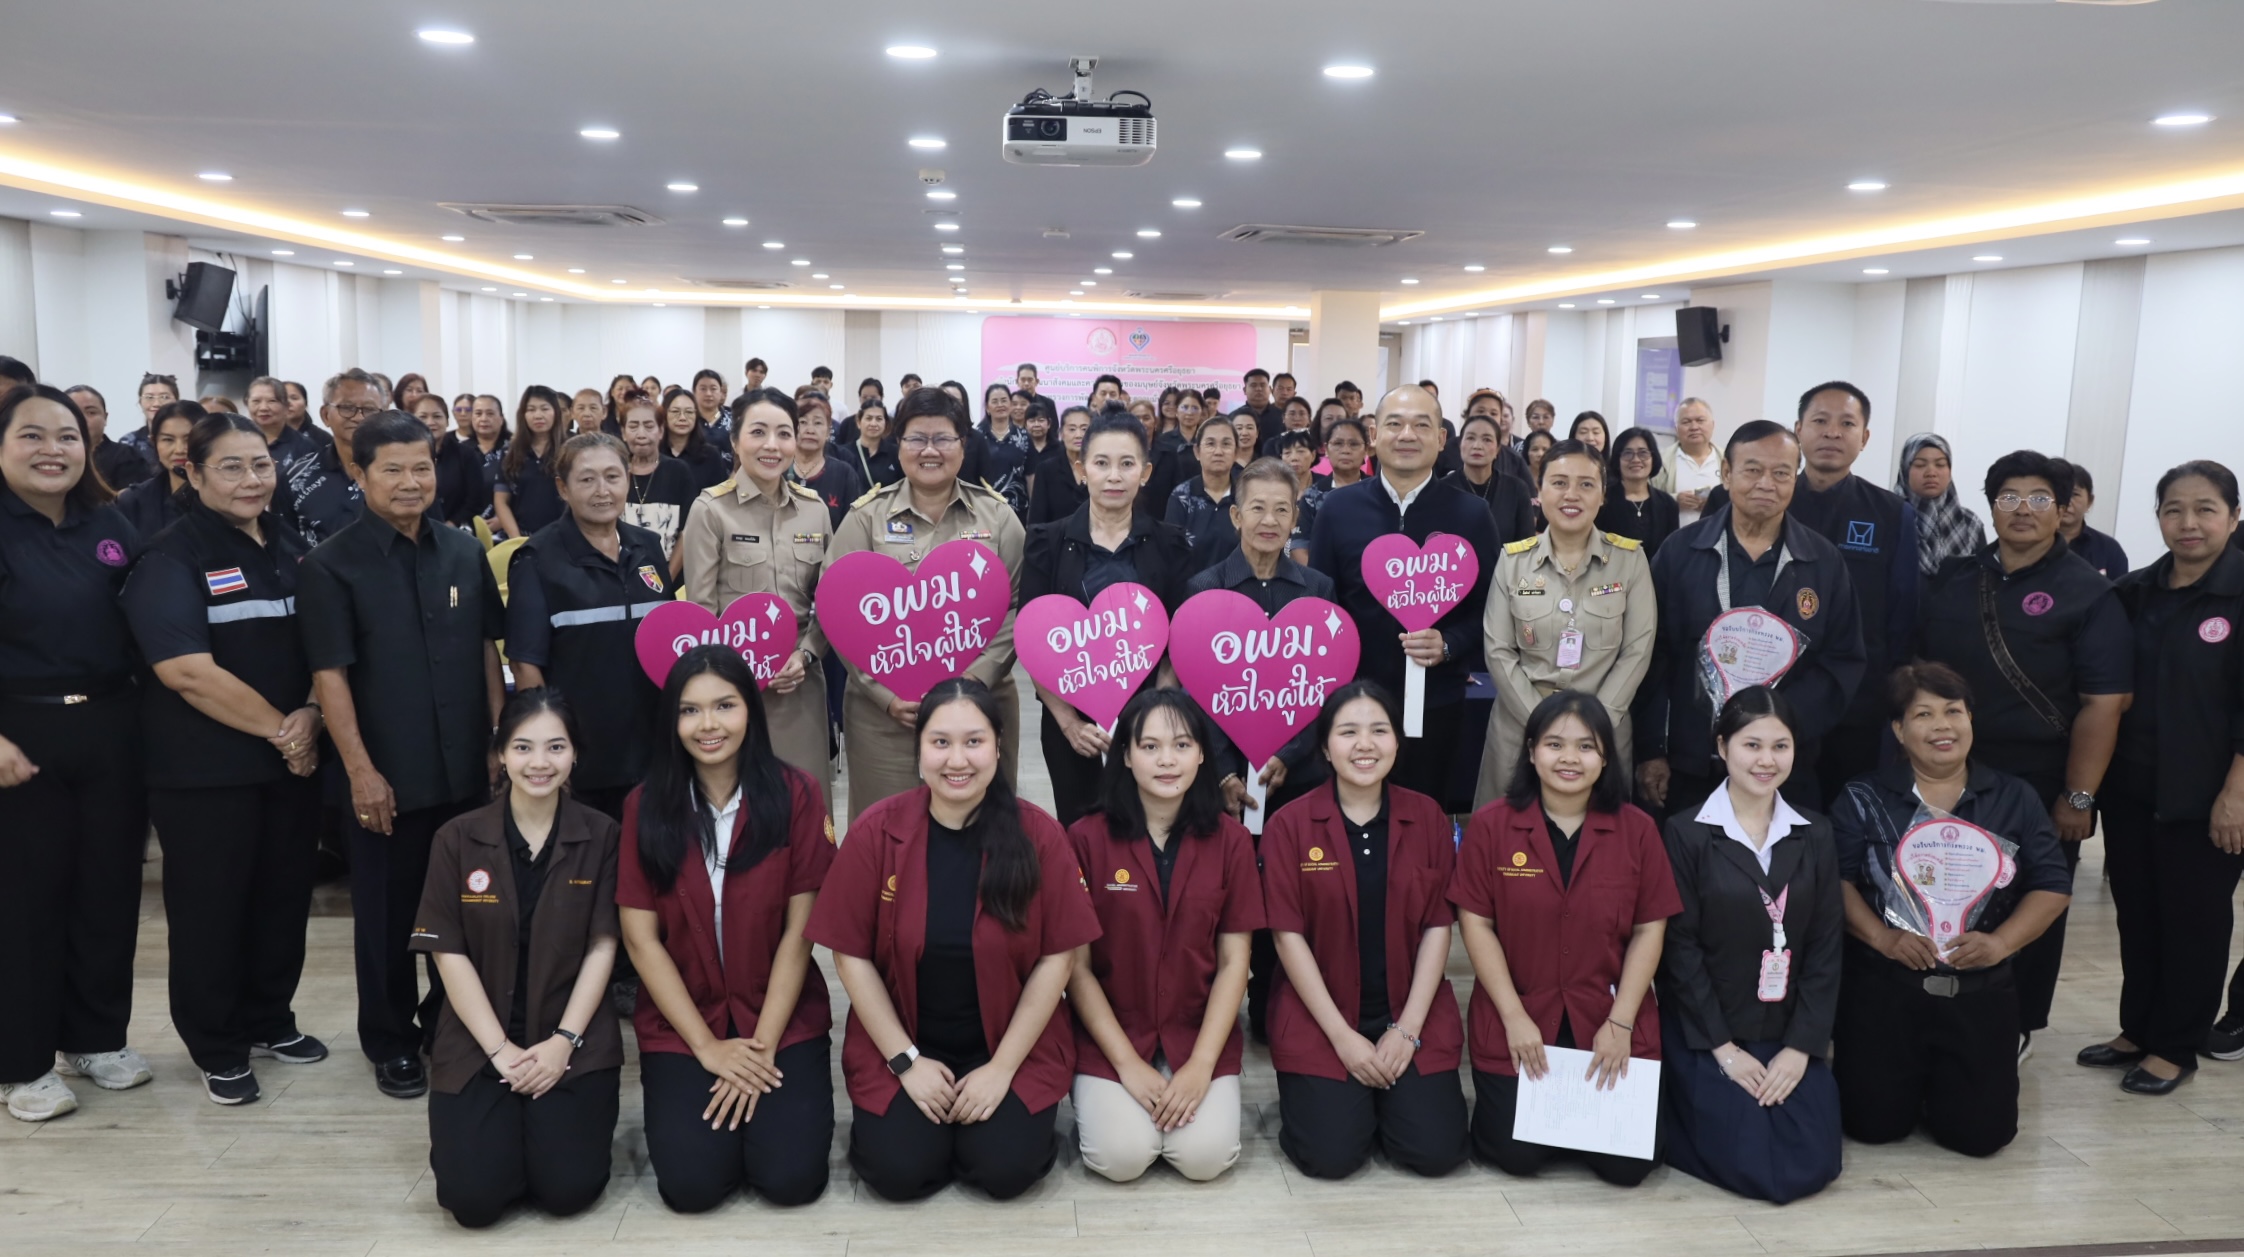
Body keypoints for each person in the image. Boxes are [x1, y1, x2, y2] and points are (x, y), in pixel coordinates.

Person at [804, 678, 1101, 1200]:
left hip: (1008, 1041)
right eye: (940, 742)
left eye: (974, 741)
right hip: (907, 1037)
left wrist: (1002, 1068)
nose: (956, 759)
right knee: (899, 1175)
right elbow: (848, 955)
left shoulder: (1039, 836)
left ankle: (984, 1125)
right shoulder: (877, 831)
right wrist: (906, 1063)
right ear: (918, 749)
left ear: (999, 744)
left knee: (1005, 1172)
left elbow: (1059, 958)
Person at [298, 410, 507, 1100]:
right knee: (388, 918)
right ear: (359, 475)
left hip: (466, 770)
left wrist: (499, 744)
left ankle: (447, 1018)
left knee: (471, 907)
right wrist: (360, 771)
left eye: (423, 466)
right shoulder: (330, 565)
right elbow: (331, 678)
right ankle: (390, 1040)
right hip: (387, 772)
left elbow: (486, 651)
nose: (412, 481)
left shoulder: (461, 550)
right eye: (393, 469)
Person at [121, 410, 327, 1105]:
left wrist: (311, 714)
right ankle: (218, 1043)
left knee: (280, 898)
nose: (250, 478)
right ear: (193, 471)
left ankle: (271, 1017)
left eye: (261, 463)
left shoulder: (290, 544)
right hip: (204, 771)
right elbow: (185, 670)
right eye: (232, 466)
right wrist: (285, 730)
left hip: (288, 764)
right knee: (212, 909)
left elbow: (322, 647)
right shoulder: (171, 555)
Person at [1914, 450, 2130, 1059]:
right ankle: (1937, 1000)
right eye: (2008, 497)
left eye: (2040, 498)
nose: (2023, 510)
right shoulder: (1957, 577)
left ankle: (2018, 1020)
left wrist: (2079, 796)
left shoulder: (2088, 592)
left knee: (2031, 895)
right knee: (1946, 886)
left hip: (2040, 779)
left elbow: (2103, 704)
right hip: (1947, 772)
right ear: (1991, 507)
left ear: (2064, 510)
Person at [618, 646, 838, 1211]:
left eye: (725, 706)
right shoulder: (645, 808)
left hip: (779, 1016)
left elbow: (801, 933)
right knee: (691, 1188)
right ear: (671, 720)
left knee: (792, 1182)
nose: (709, 725)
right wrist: (709, 1049)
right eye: (690, 711)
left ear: (751, 711)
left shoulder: (798, 795)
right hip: (686, 1018)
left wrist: (759, 1049)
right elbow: (642, 941)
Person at [1829, 662, 2071, 1151]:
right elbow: (1836, 881)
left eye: (1953, 711)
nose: (1942, 725)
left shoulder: (2014, 797)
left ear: (1971, 720)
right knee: (1872, 1128)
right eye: (1923, 714)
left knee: (1981, 1138)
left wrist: (2001, 943)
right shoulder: (1864, 796)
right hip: (1885, 988)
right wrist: (1883, 938)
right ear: (1898, 730)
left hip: (1980, 990)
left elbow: (2052, 886)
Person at [410, 690, 622, 1227]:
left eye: (556, 747)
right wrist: (500, 1049)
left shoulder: (603, 835)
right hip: (482, 1038)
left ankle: (536, 1139)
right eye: (523, 747)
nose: (540, 762)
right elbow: (447, 951)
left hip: (569, 1037)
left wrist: (562, 1043)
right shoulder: (456, 838)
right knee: (472, 1203)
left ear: (575, 755)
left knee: (567, 1193)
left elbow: (604, 944)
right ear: (501, 754)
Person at [0, 385, 153, 1122]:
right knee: (27, 902)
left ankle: (95, 1036)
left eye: (65, 435)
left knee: (107, 888)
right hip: (18, 733)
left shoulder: (108, 520)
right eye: (31, 436)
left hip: (112, 726)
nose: (52, 450)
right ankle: (22, 1061)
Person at [1453, 690, 1678, 1183]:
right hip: (1522, 1016)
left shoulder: (1638, 830)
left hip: (1607, 1016)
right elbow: (1475, 922)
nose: (1569, 758)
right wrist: (1513, 1016)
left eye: (1586, 746)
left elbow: (1649, 928)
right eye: (1554, 744)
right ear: (1531, 751)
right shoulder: (1492, 826)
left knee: (1628, 1168)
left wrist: (1620, 1023)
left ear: (1605, 757)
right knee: (1517, 1159)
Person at [1260, 681, 1468, 1179]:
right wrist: (1342, 1037)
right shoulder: (1289, 825)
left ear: (1397, 740)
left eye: (1379, 730)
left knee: (1435, 1153)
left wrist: (1408, 1029)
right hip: (1323, 1015)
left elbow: (1440, 925)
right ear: (1325, 748)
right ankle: (1348, 1099)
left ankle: (1386, 1098)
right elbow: (1288, 936)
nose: (1365, 745)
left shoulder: (1430, 818)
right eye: (1347, 732)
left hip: (1407, 1010)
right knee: (1330, 1157)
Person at [2083, 461, 2244, 1094]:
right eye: (2174, 509)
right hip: (2134, 788)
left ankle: (2176, 1044)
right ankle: (2138, 1028)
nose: (2189, 523)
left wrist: (2235, 795)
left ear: (2233, 517)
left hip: (2210, 796)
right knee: (2138, 913)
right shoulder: (2134, 592)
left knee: (2195, 920)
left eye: (2206, 509)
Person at [1067, 689, 1262, 1182]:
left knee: (1204, 1160)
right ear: (1126, 757)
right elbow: (1078, 968)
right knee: (1122, 1158)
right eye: (1149, 747)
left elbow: (1235, 962)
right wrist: (1128, 1064)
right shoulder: (1084, 839)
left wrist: (1199, 1066)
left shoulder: (1233, 841)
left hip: (1196, 1031)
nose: (1166, 760)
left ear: (1202, 753)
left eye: (1181, 745)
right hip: (1114, 1032)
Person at [1655, 688, 1843, 1203]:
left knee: (1812, 1159)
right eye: (1751, 745)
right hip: (1711, 1028)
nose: (1766, 760)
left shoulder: (1815, 833)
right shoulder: (1685, 833)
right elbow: (1681, 951)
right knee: (1750, 1160)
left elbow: (1826, 947)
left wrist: (1802, 1048)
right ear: (1722, 746)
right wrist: (1723, 1050)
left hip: (1787, 1029)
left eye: (1780, 747)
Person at [1635, 421, 1866, 815]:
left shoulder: (1822, 561)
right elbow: (1650, 655)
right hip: (1689, 764)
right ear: (1726, 473)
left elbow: (1842, 661)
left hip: (1781, 769)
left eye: (1781, 473)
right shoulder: (1680, 552)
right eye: (1753, 470)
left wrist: (1774, 727)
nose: (1766, 484)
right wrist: (1652, 749)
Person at [825, 388, 1027, 822]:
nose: (930, 451)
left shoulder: (997, 517)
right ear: (899, 444)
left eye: (943, 439)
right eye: (917, 439)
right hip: (886, 716)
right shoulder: (866, 518)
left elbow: (1017, 606)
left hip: (980, 706)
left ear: (962, 445)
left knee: (985, 829)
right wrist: (884, 693)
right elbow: (837, 611)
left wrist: (976, 678)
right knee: (887, 830)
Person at [1707, 384, 1918, 792]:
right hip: (1746, 705)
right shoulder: (1756, 497)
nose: (1832, 433)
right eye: (1820, 421)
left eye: (1847, 424)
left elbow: (1902, 619)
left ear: (1865, 437)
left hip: (1851, 705)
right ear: (1799, 430)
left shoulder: (1891, 514)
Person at [1308, 384, 1500, 807]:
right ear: (1374, 435)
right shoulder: (1337, 509)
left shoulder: (1471, 515)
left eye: (1421, 424)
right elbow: (1322, 607)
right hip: (1355, 705)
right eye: (1394, 424)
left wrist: (1450, 645)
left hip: (1439, 702)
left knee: (1425, 818)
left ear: (1441, 438)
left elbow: (1490, 610)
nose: (1407, 435)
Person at [1020, 412, 1193, 827]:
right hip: (1072, 726)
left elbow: (1179, 639)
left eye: (1127, 464)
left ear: (1145, 472)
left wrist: (1154, 716)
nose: (1114, 476)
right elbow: (1033, 642)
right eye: (1101, 463)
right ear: (1081, 470)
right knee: (1079, 831)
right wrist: (1068, 723)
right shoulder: (1047, 542)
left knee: (1148, 830)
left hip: (1151, 727)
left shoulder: (1172, 544)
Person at [505, 433, 676, 820]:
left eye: (613, 477)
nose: (602, 491)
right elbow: (525, 665)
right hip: (584, 758)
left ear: (628, 480)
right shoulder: (536, 559)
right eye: (587, 479)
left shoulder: (648, 547)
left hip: (653, 752)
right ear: (563, 488)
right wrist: (547, 751)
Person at [1476, 440, 1656, 806]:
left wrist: (1592, 727)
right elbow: (1498, 651)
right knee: (1508, 849)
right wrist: (1547, 727)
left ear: (1603, 495)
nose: (1571, 494)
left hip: (1602, 731)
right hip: (1521, 730)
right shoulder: (1512, 562)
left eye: (1586, 484)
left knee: (1599, 848)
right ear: (1538, 492)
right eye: (1558, 482)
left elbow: (1638, 649)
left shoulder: (1630, 560)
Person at [677, 390, 835, 798]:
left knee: (807, 801)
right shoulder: (711, 510)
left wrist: (807, 653)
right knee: (745, 804)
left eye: (784, 433)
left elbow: (831, 602)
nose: (772, 445)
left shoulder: (814, 510)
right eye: (758, 432)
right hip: (734, 690)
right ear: (735, 441)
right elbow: (702, 612)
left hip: (800, 683)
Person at [282, 369, 384, 544]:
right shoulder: (295, 477)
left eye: (369, 409)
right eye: (347, 408)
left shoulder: (402, 472)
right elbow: (286, 545)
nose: (359, 417)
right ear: (325, 415)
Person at [614, 393, 698, 566]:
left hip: (670, 578)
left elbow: (688, 531)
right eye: (633, 426)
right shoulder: (614, 473)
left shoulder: (678, 471)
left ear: (660, 431)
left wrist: (666, 579)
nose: (641, 434)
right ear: (623, 432)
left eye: (649, 426)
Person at [1896, 432, 1985, 578]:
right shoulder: (1889, 515)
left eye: (1940, 464)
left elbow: (1982, 579)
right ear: (1905, 470)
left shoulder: (1970, 523)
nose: (1931, 472)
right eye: (1920, 464)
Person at [1439, 412, 1535, 543]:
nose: (1477, 446)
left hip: (1507, 563)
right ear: (1460, 445)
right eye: (1470, 438)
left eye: (1487, 439)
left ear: (1497, 450)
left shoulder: (1516, 489)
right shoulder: (1442, 489)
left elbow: (1526, 543)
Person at [113, 399, 199, 538]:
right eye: (168, 440)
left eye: (189, 439)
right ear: (154, 442)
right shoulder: (133, 501)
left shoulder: (225, 497)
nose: (179, 450)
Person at [493, 385, 566, 539]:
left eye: (544, 409)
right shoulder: (510, 451)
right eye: (531, 409)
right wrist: (517, 539)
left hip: (564, 537)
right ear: (523, 415)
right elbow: (501, 501)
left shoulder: (570, 450)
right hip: (521, 537)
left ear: (556, 413)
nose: (538, 415)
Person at [1598, 427, 1681, 556]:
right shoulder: (1602, 500)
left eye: (1643, 453)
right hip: (1610, 574)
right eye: (1627, 453)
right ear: (1617, 460)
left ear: (1653, 458)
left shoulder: (1667, 504)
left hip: (1655, 575)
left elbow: (1671, 552)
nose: (1636, 460)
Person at [411, 393, 489, 527]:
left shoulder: (466, 454)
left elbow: (475, 501)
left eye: (437, 416)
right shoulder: (404, 456)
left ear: (447, 421)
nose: (430, 422)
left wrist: (451, 525)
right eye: (423, 417)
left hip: (457, 532)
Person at [1164, 413, 1239, 550]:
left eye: (1226, 444)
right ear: (1197, 452)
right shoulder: (1181, 496)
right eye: (1210, 444)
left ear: (1236, 453)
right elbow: (1171, 552)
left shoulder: (1246, 496)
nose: (1218, 451)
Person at [62, 383, 153, 492]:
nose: (81, 419)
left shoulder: (127, 456)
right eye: (73, 412)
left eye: (91, 412)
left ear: (105, 418)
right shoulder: (54, 454)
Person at [2055, 459, 2130, 578]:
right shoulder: (2032, 542)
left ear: (2090, 501)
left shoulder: (2109, 549)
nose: (2066, 501)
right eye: (2060, 492)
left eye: (2075, 494)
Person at [1657, 397, 1722, 527]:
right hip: (1673, 538)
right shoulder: (1660, 461)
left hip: (1717, 538)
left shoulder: (1727, 461)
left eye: (1700, 420)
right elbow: (1647, 499)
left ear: (1712, 425)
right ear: (1676, 428)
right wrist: (1674, 500)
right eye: (1686, 422)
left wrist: (1715, 502)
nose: (1694, 427)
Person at [1028, 405, 1094, 527]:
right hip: (1056, 542)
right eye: (1072, 429)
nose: (1078, 435)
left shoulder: (1100, 469)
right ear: (1061, 434)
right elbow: (1037, 520)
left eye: (1084, 429)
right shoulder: (1046, 470)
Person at [662, 387, 731, 489]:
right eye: (675, 411)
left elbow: (721, 497)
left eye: (689, 412)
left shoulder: (711, 455)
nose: (682, 418)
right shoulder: (654, 453)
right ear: (664, 414)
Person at [843, 399, 901, 491]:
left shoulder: (896, 453)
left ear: (885, 423)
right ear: (858, 422)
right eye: (868, 418)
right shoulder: (844, 453)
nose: (873, 424)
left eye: (879, 419)